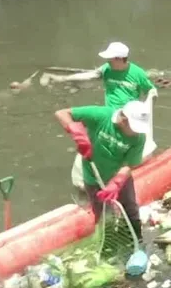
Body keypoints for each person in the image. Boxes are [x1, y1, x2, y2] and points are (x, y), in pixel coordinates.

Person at [56, 101, 151, 241]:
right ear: (124, 120)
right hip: (93, 176)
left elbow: (129, 164)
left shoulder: (138, 138)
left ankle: (137, 241)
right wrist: (76, 131)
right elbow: (62, 113)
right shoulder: (101, 115)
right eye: (134, 127)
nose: (136, 132)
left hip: (119, 177)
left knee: (130, 209)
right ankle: (108, 244)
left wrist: (117, 182)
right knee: (104, 216)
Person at [71, 42, 158, 191]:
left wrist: (149, 104)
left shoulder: (137, 73)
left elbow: (151, 90)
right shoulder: (106, 69)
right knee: (99, 146)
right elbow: (92, 75)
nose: (107, 62)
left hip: (129, 119)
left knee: (123, 150)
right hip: (109, 116)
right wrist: (64, 79)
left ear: (120, 58)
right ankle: (90, 181)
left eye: (110, 59)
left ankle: (115, 181)